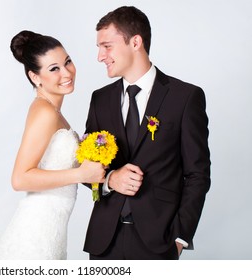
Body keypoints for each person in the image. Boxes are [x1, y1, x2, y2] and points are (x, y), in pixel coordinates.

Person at [83, 6, 211, 260]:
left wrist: (179, 238)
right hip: (104, 242)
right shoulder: (100, 99)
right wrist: (110, 180)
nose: (100, 56)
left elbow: (198, 174)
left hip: (159, 243)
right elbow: (85, 163)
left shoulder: (185, 97)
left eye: (106, 46)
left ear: (135, 42)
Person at [0, 30, 106, 260]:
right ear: (35, 77)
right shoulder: (45, 112)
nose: (66, 73)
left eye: (68, 62)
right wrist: (80, 173)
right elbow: (20, 179)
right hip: (36, 235)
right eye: (54, 68)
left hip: (52, 231)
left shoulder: (52, 111)